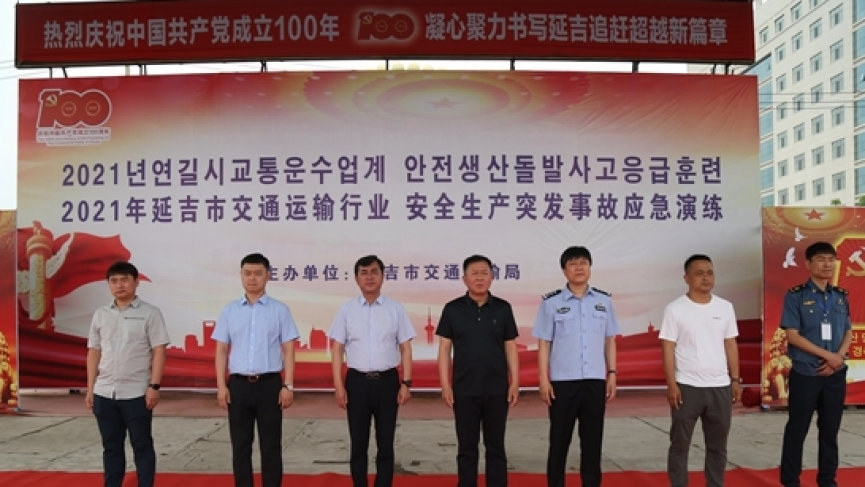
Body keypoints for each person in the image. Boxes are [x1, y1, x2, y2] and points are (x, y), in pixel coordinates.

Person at [531, 246, 620, 487]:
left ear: (590, 267)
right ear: (564, 270)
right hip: (562, 382)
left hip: (595, 380)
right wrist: (543, 379)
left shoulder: (603, 300)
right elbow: (544, 342)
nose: (579, 267)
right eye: (572, 263)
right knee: (559, 440)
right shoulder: (551, 302)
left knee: (592, 441)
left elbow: (610, 339)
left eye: (583, 262)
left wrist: (612, 373)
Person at [212, 253, 300, 487]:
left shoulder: (280, 310)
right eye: (248, 273)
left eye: (258, 273)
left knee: (271, 446)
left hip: (269, 385)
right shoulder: (230, 311)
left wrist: (288, 385)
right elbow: (221, 350)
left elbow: (288, 349)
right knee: (240, 447)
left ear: (267, 276)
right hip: (238, 386)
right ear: (241, 276)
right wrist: (221, 386)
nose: (252, 278)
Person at [329, 255, 416, 487]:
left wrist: (406, 383)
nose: (369, 277)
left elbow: (405, 348)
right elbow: (337, 349)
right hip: (356, 382)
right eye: (364, 273)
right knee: (358, 443)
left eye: (374, 272)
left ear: (383, 276)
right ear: (356, 278)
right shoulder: (346, 310)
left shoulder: (395, 309)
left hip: (387, 382)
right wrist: (338, 386)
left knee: (385, 443)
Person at [436, 254, 519, 487]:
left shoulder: (503, 308)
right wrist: (445, 385)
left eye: (484, 273)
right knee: (467, 448)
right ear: (464, 279)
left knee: (496, 447)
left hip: (496, 389)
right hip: (464, 390)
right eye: (474, 273)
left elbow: (510, 346)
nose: (480, 278)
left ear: (492, 277)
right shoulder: (453, 309)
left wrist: (514, 382)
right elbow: (444, 348)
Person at [85, 261, 170, 487]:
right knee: (111, 447)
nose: (119, 285)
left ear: (136, 282)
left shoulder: (150, 313)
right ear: (108, 284)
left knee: (142, 445)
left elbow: (159, 351)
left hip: (136, 392)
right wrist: (91, 388)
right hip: (104, 392)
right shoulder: (101, 314)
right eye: (114, 281)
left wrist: (154, 386)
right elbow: (94, 351)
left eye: (124, 280)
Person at [659, 254, 740, 487]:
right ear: (686, 278)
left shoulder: (725, 307)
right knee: (680, 444)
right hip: (687, 386)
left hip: (720, 386)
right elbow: (667, 348)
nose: (706, 278)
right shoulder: (675, 309)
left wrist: (735, 379)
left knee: (718, 446)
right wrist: (672, 384)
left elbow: (731, 344)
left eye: (710, 273)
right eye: (699, 273)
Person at [780, 241, 852, 487]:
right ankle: (790, 481)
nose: (827, 264)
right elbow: (793, 336)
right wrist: (827, 356)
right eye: (821, 259)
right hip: (806, 373)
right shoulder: (796, 296)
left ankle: (828, 480)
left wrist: (838, 357)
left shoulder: (840, 297)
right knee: (797, 429)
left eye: (831, 259)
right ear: (808, 264)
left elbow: (848, 332)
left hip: (835, 374)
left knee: (830, 431)